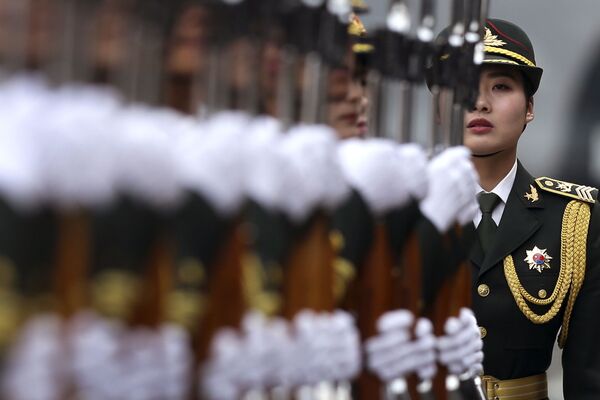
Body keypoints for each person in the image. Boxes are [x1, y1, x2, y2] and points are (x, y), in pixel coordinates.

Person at [461, 19, 600, 399]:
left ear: (529, 108)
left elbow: (590, 377)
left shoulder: (574, 220)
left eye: (501, 86)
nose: (480, 102)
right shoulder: (404, 212)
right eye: (462, 87)